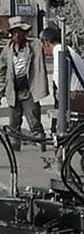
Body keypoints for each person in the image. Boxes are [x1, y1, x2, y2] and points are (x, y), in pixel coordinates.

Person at [40, 27, 84, 174]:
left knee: (65, 133)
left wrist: (60, 98)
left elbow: (61, 76)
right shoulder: (70, 50)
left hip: (74, 97)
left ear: (46, 42)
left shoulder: (59, 51)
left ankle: (62, 169)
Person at [0, 17, 49, 150]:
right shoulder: (7, 50)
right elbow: (2, 72)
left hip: (29, 91)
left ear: (24, 33)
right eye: (14, 32)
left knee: (34, 121)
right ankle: (15, 147)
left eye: (19, 32)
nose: (16, 36)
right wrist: (1, 91)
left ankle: (42, 144)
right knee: (14, 123)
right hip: (14, 91)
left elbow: (41, 43)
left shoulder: (34, 46)